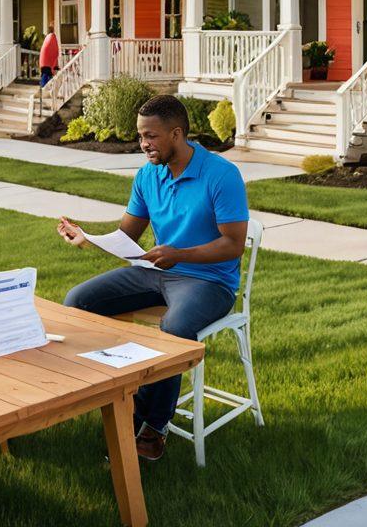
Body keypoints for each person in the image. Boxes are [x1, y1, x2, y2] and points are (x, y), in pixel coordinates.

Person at [58, 94, 248, 462]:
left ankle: (150, 423)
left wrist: (180, 254)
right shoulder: (148, 175)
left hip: (209, 281)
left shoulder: (221, 175)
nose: (143, 143)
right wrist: (88, 239)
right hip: (154, 273)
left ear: (177, 134)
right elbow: (128, 234)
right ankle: (111, 394)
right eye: (140, 135)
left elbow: (233, 244)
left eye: (150, 136)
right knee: (77, 301)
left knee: (174, 328)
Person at [38, 22, 59, 87]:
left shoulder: (48, 36)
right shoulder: (52, 37)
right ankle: (44, 89)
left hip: (44, 61)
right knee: (47, 75)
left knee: (46, 74)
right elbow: (55, 50)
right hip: (48, 61)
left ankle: (45, 89)